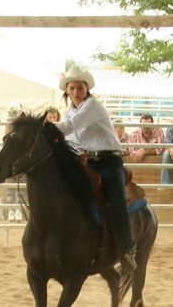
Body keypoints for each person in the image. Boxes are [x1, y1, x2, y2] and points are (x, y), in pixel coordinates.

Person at [52, 66, 136, 272]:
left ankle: (128, 249)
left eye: (80, 87)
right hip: (88, 161)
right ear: (67, 91)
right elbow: (70, 136)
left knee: (116, 201)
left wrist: (44, 127)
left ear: (87, 89)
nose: (76, 91)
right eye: (72, 88)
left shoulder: (93, 106)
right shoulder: (70, 111)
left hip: (109, 160)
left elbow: (70, 127)